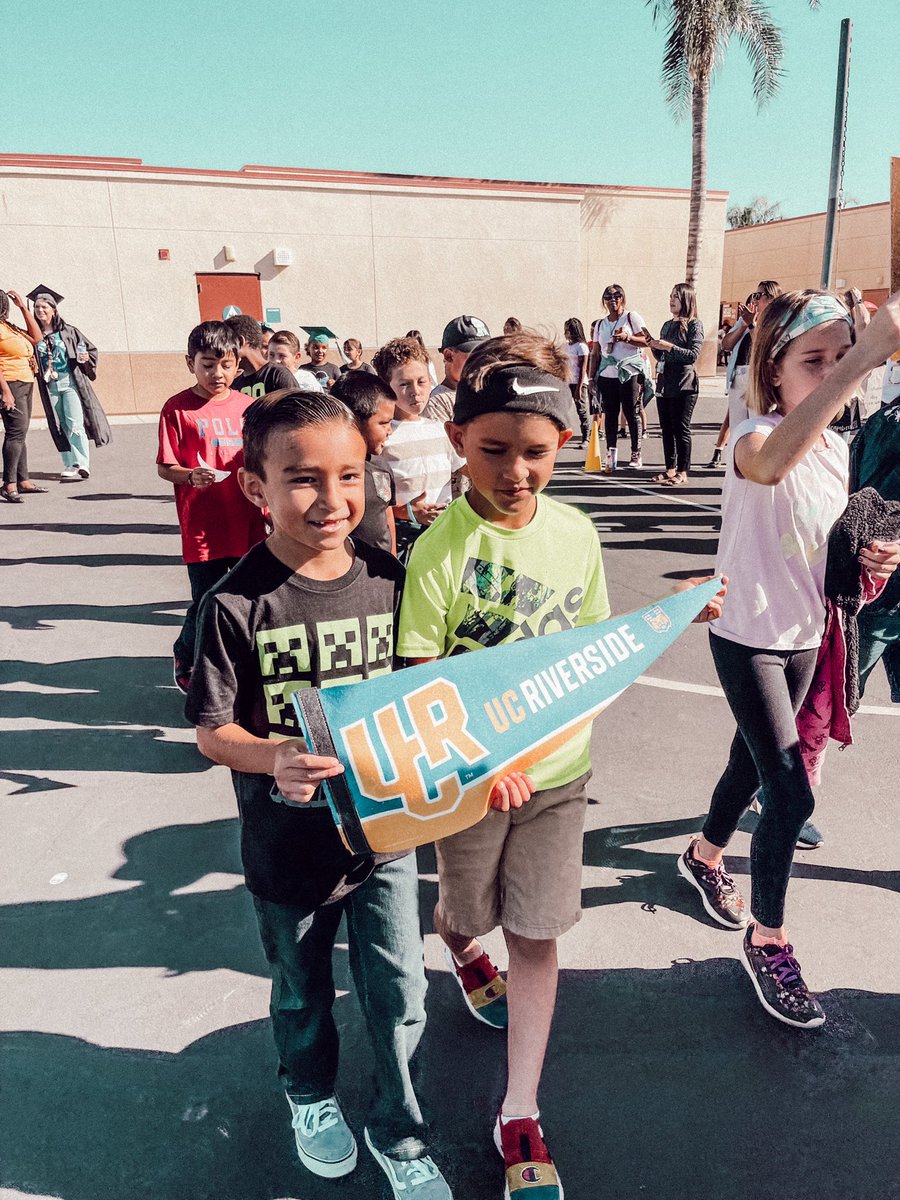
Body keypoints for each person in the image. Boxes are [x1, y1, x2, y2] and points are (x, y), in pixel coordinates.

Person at [397, 331, 723, 1198]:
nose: (515, 471)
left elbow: (593, 647)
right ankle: (465, 953)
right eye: (494, 450)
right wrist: (480, 760)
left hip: (558, 776)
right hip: (471, 780)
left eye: (536, 453)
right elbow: (421, 674)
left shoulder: (576, 534)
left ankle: (519, 1108)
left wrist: (667, 619)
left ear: (563, 448)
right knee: (464, 914)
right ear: (459, 440)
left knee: (536, 936)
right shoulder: (440, 550)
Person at [186, 389, 452, 1199]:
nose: (332, 498)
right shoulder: (233, 603)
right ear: (256, 489)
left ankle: (401, 1132)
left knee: (400, 987)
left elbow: (424, 685)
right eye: (302, 478)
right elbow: (211, 732)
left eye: (350, 474)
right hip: (287, 847)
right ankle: (309, 1096)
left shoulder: (391, 578)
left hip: (387, 834)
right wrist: (273, 758)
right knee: (301, 989)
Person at [678, 288, 900, 1030]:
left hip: (808, 636)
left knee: (748, 767)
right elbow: (772, 467)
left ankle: (703, 857)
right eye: (815, 361)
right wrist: (867, 356)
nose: (835, 373)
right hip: (747, 638)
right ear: (773, 371)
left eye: (843, 358)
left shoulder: (838, 447)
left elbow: (827, 550)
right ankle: (767, 939)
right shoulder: (753, 432)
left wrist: (875, 557)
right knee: (790, 792)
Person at [157, 321, 266, 693]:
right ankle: (186, 653)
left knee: (247, 596)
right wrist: (189, 476)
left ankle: (236, 664)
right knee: (206, 599)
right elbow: (165, 467)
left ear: (238, 364)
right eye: (207, 364)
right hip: (203, 526)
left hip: (248, 521)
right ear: (191, 362)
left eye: (225, 365)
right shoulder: (177, 409)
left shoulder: (250, 407)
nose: (217, 374)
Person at [373, 336, 464, 561]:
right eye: (404, 384)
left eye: (422, 382)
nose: (416, 391)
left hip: (443, 534)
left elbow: (471, 470)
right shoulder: (381, 437)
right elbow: (371, 503)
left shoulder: (441, 430)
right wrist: (408, 512)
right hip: (401, 538)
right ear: (386, 387)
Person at [849, 382, 900, 702]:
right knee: (819, 713)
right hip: (879, 600)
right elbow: (872, 519)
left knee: (818, 713)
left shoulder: (884, 421)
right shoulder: (889, 426)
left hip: (873, 599)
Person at [32, 288, 111, 482]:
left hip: (69, 382)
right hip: (50, 385)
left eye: (44, 306)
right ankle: (68, 463)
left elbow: (89, 350)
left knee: (75, 423)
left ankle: (81, 463)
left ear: (53, 309)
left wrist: (85, 358)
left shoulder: (68, 332)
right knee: (60, 425)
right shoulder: (34, 334)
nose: (39, 310)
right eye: (36, 307)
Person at [703, 281, 781, 469]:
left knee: (758, 425)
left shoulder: (776, 323)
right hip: (738, 375)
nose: (754, 299)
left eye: (758, 295)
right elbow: (727, 345)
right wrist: (743, 325)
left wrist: (753, 326)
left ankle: (758, 469)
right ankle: (735, 469)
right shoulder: (746, 320)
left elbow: (763, 348)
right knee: (738, 427)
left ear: (770, 299)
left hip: (759, 378)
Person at [331, 370, 397, 554]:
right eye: (384, 423)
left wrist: (393, 561)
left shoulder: (381, 467)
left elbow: (386, 514)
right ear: (354, 421)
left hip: (382, 573)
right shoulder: (330, 474)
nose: (390, 430)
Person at [647, 283, 704, 486]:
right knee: (667, 429)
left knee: (681, 428)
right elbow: (662, 355)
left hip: (684, 384)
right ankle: (670, 469)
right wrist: (654, 345)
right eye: (670, 296)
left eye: (676, 297)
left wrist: (669, 347)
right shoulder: (667, 324)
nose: (671, 300)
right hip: (664, 383)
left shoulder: (694, 325)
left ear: (686, 300)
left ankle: (683, 471)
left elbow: (692, 355)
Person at [587, 284, 647, 472]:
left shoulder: (631, 317)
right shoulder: (600, 324)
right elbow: (596, 352)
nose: (612, 300)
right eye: (608, 297)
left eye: (616, 296)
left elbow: (647, 340)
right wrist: (591, 378)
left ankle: (636, 454)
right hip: (607, 374)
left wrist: (627, 338)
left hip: (629, 372)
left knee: (631, 412)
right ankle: (611, 455)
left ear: (623, 298)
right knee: (610, 414)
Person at [0, 288, 45, 503]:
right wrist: (5, 392)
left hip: (26, 381)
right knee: (15, 433)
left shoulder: (9, 327)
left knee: (20, 432)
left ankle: (23, 480)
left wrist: (23, 309)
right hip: (10, 383)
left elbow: (37, 337)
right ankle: (8, 485)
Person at [423, 315, 491, 424]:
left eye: (485, 355)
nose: (481, 363)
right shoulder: (438, 403)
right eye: (474, 356)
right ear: (449, 356)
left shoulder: (487, 391)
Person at [226, 315, 297, 398]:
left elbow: (298, 409)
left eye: (226, 345)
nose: (223, 352)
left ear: (241, 342)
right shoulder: (235, 384)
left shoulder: (277, 375)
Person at [563, 317, 590, 444]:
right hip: (567, 382)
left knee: (581, 409)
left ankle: (586, 436)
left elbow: (583, 368)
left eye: (568, 330)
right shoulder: (565, 346)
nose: (565, 333)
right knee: (562, 408)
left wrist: (579, 388)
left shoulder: (581, 347)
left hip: (579, 382)